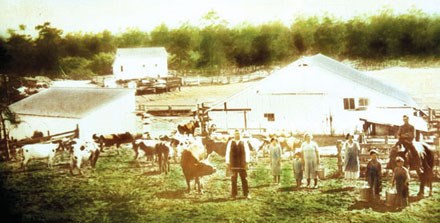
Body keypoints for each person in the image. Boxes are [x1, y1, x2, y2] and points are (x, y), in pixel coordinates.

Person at [225, 129, 251, 199]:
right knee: (233, 179)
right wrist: (227, 162)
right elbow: (227, 152)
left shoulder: (244, 142)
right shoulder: (230, 142)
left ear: (241, 134)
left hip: (242, 164)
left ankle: (246, 194)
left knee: (244, 179)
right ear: (234, 135)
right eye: (236, 133)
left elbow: (247, 152)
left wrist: (247, 162)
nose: (237, 135)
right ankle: (234, 195)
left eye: (238, 133)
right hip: (233, 164)